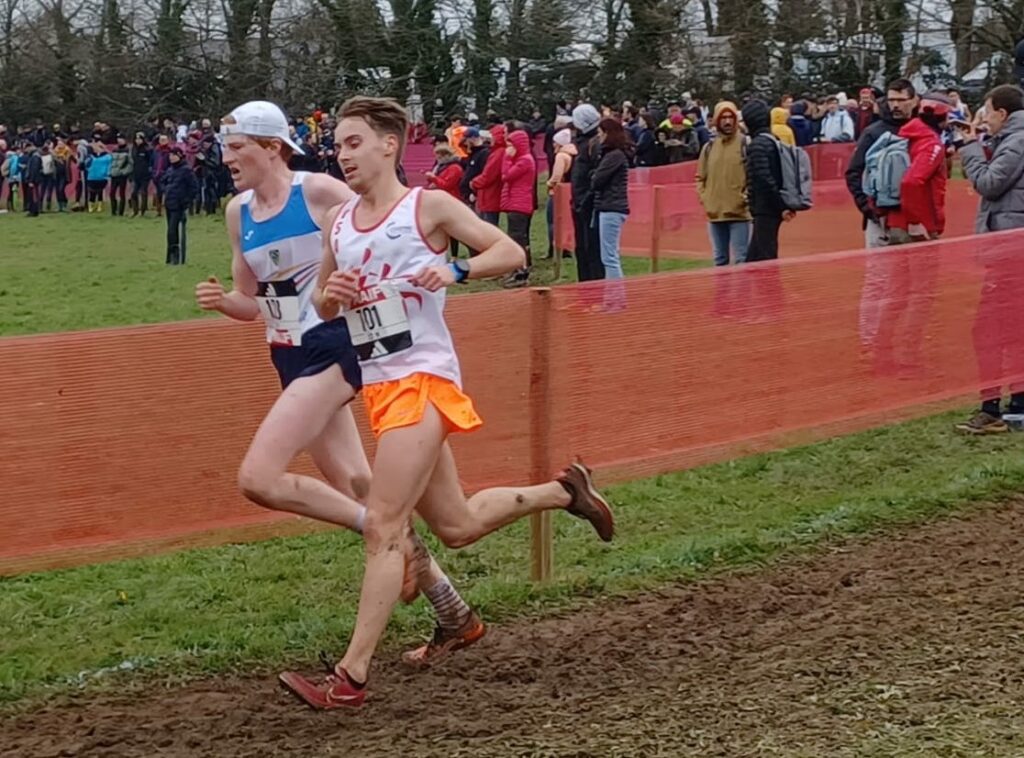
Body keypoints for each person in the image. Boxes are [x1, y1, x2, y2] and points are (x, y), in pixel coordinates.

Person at [278, 96, 614, 710]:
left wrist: (457, 272)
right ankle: (566, 492)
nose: (342, 155)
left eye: (354, 143)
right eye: (338, 144)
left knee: (382, 526)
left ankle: (349, 680)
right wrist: (335, 294)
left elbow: (510, 252)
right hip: (380, 387)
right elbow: (323, 306)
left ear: (389, 144)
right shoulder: (340, 224)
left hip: (424, 380)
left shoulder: (425, 206)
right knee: (455, 526)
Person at [195, 100, 481, 666]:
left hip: (333, 346)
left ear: (272, 146)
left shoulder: (320, 191)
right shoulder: (237, 212)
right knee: (357, 480)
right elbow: (254, 302)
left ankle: (391, 544)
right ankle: (451, 607)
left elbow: (378, 230)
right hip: (285, 355)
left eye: (236, 147)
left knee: (259, 477)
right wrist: (224, 302)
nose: (226, 158)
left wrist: (380, 286)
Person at [954, 84, 1024, 434]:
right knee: (1012, 328)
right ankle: (1016, 406)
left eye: (987, 111)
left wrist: (969, 148)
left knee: (988, 330)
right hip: (1010, 247)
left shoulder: (1017, 141)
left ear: (1003, 113)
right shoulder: (1009, 141)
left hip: (1010, 252)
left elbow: (990, 182)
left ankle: (992, 409)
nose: (984, 118)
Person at [845, 79, 920, 248]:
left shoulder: (923, 130)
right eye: (891, 100)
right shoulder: (873, 132)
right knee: (880, 272)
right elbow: (853, 172)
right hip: (880, 218)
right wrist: (868, 208)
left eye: (901, 100)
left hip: (915, 216)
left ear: (914, 101)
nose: (895, 105)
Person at [885, 92, 952, 245]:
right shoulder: (931, 143)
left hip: (896, 218)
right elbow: (911, 181)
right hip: (920, 224)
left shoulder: (906, 134)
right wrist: (915, 222)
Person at [696, 101, 750, 266]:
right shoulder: (709, 147)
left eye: (730, 117)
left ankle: (742, 293)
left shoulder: (745, 144)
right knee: (720, 260)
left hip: (739, 213)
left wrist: (745, 197)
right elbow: (700, 177)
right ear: (716, 121)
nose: (727, 122)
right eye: (723, 118)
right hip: (714, 213)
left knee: (741, 260)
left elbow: (752, 175)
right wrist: (705, 198)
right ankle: (722, 293)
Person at [742, 99, 794, 262]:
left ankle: (770, 288)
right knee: (755, 257)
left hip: (765, 207)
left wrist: (781, 206)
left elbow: (764, 178)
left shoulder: (757, 145)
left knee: (765, 257)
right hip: (769, 207)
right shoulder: (773, 140)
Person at [590, 118, 630, 309]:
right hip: (610, 207)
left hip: (611, 208)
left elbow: (597, 180)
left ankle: (616, 301)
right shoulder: (614, 155)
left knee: (610, 258)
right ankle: (611, 300)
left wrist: (594, 175)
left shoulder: (614, 156)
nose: (599, 137)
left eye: (601, 133)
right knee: (609, 255)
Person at [570, 103, 604, 281]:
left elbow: (595, 175)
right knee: (581, 249)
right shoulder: (583, 142)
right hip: (579, 202)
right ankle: (584, 290)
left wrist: (584, 201)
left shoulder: (594, 144)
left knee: (592, 250)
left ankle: (594, 291)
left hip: (588, 205)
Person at [499, 128, 536, 287]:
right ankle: (516, 270)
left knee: (517, 239)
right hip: (516, 202)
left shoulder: (524, 161)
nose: (509, 149)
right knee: (516, 237)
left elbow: (506, 176)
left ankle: (521, 272)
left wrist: (506, 158)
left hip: (519, 204)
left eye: (511, 146)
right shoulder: (523, 160)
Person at [159, 146, 198, 264]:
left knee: (172, 230)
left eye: (174, 155)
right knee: (170, 232)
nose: (171, 158)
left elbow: (194, 187)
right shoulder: (170, 170)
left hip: (179, 205)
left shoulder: (186, 170)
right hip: (169, 203)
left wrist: (186, 200)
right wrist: (165, 189)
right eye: (170, 155)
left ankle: (176, 255)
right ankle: (170, 255)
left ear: (179, 156)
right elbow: (162, 181)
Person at [425, 142, 464, 258]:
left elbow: (447, 185)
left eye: (439, 156)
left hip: (451, 201)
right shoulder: (441, 167)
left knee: (453, 231)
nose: (437, 159)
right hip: (440, 201)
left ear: (445, 155)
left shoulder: (455, 168)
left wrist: (434, 178)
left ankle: (454, 255)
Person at [546, 128, 576, 259]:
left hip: (558, 192)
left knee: (552, 221)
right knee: (567, 221)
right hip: (570, 191)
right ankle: (566, 247)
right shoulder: (573, 154)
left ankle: (555, 248)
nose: (553, 145)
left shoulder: (561, 156)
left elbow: (557, 176)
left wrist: (549, 183)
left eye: (554, 142)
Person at [469, 124, 505, 227]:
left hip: (490, 195)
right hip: (488, 195)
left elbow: (488, 176)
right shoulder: (496, 152)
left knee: (487, 226)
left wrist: (474, 183)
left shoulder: (498, 153)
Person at [85, 139, 112, 213]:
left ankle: (99, 206)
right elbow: (86, 165)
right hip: (92, 176)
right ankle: (91, 206)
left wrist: (107, 174)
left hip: (102, 177)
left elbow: (110, 163)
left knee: (100, 192)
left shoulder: (107, 156)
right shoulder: (90, 156)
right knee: (92, 192)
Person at [109, 136, 133, 216]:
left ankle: (121, 211)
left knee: (122, 193)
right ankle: (113, 210)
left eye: (121, 139)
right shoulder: (115, 150)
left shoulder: (128, 150)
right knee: (112, 193)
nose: (119, 140)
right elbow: (111, 161)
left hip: (122, 175)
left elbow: (130, 163)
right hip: (114, 174)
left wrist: (125, 172)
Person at [131, 133, 153, 216]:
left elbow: (150, 161)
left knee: (143, 192)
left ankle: (143, 211)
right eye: (136, 139)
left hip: (145, 174)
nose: (138, 141)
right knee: (134, 193)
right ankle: (135, 211)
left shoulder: (147, 149)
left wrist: (149, 171)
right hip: (136, 174)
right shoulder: (134, 149)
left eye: (139, 139)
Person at [22, 142, 43, 217]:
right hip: (34, 179)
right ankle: (33, 210)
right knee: (32, 195)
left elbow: (34, 169)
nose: (26, 150)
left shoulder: (35, 156)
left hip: (34, 180)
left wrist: (31, 180)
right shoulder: (34, 155)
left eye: (26, 148)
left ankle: (34, 211)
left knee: (33, 195)